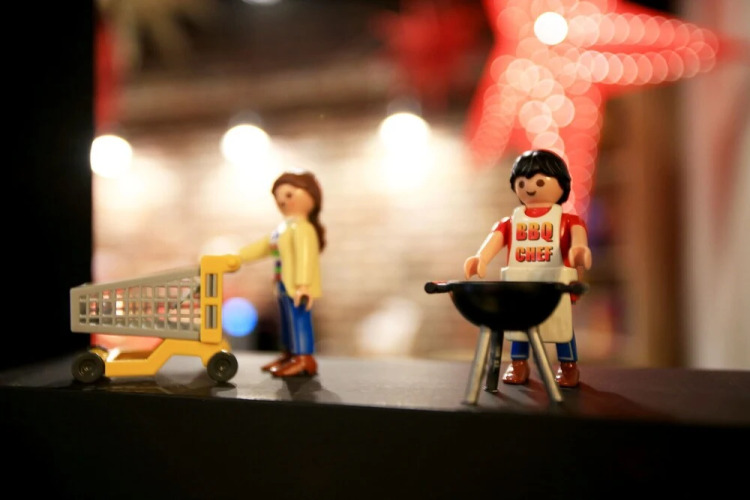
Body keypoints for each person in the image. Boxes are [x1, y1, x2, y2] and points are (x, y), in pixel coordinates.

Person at [463, 149, 592, 387]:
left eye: (539, 181)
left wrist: (579, 251)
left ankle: (568, 366)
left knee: (562, 326)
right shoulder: (510, 223)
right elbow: (494, 241)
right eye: (522, 182)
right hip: (519, 284)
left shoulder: (569, 221)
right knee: (518, 325)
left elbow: (578, 240)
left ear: (561, 183)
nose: (530, 187)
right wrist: (480, 259)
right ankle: (518, 363)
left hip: (555, 284)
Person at [237, 169, 326, 377]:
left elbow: (305, 257)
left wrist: (303, 285)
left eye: (288, 195)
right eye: (278, 198)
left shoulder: (303, 228)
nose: (283, 201)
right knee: (286, 322)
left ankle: (304, 358)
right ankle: (289, 354)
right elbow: (263, 246)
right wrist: (237, 257)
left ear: (310, 195)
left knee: (299, 320)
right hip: (283, 284)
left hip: (298, 288)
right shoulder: (283, 228)